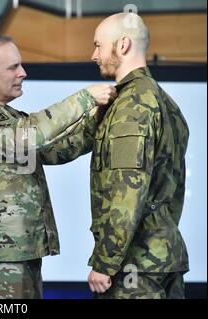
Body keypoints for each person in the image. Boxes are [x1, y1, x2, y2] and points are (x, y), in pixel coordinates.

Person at [0, 34, 116, 299]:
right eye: (13, 67)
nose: (23, 73)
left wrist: (97, 121)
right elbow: (30, 135)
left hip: (21, 251)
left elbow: (56, 151)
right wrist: (85, 98)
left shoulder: (8, 118)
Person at [87, 12, 189, 299]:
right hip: (164, 256)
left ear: (122, 45)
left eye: (98, 45)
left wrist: (105, 263)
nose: (94, 55)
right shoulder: (167, 103)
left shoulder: (131, 105)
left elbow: (126, 190)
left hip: (135, 267)